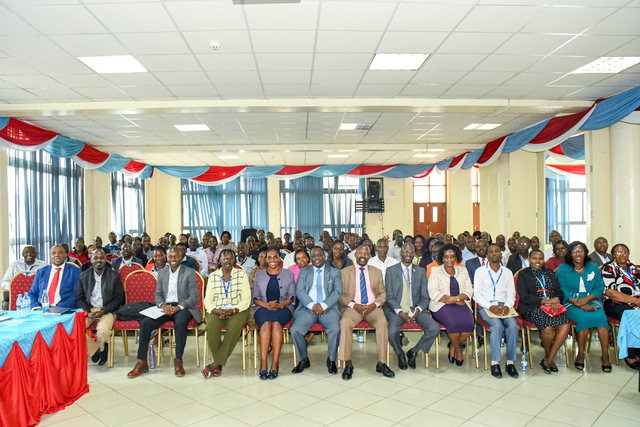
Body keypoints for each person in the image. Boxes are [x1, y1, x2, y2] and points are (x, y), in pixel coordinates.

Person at [127, 247, 201, 378]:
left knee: (180, 323)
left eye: (176, 256)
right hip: (165, 307)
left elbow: (194, 297)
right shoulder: (162, 273)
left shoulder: (189, 272)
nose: (173, 259)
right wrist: (163, 305)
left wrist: (179, 307)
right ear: (167, 257)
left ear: (181, 257)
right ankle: (142, 362)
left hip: (183, 307)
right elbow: (158, 295)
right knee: (145, 323)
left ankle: (178, 361)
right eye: (170, 256)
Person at [338, 245, 394, 380]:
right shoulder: (345, 272)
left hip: (372, 307)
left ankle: (382, 363)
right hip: (353, 307)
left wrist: (374, 305)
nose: (363, 255)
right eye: (360, 253)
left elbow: (382, 294)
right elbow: (340, 295)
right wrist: (354, 305)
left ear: (369, 256)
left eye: (366, 253)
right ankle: (347, 363)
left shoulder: (376, 272)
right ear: (355, 255)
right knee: (345, 323)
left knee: (382, 323)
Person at [557, 241, 611, 372]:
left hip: (592, 301)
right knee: (584, 319)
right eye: (574, 251)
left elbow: (599, 288)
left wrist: (585, 300)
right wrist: (577, 303)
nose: (578, 254)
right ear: (570, 254)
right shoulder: (563, 268)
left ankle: (605, 355)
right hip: (571, 303)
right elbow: (562, 289)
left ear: (585, 253)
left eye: (580, 251)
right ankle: (580, 353)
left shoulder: (593, 267)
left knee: (602, 320)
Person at [384, 243, 439, 370]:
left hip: (416, 310)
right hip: (396, 309)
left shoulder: (421, 271)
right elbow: (389, 297)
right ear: (400, 253)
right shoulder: (391, 271)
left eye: (410, 252)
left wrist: (417, 310)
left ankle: (414, 351)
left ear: (414, 254)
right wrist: (400, 312)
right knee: (391, 331)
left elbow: (425, 297)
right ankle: (400, 353)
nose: (408, 254)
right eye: (405, 251)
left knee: (434, 328)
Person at [291, 247, 343, 374]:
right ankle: (303, 359)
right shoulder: (304, 272)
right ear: (310, 258)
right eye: (314, 256)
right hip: (307, 308)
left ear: (324, 256)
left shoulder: (334, 272)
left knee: (335, 330)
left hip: (328, 308)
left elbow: (337, 292)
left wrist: (323, 306)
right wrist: (313, 306)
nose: (317, 258)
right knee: (295, 330)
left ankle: (331, 360)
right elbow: (300, 292)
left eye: (319, 255)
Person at [516, 250, 570, 373]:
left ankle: (548, 359)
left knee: (565, 325)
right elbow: (524, 296)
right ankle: (549, 358)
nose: (538, 261)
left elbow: (559, 292)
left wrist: (557, 299)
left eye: (540, 259)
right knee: (548, 326)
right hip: (532, 307)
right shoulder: (523, 274)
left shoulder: (550, 273)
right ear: (530, 260)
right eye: (534, 258)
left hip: (552, 306)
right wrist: (544, 301)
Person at [202, 249, 251, 378]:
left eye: (231, 259)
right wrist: (216, 311)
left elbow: (246, 299)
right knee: (211, 326)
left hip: (237, 310)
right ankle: (219, 363)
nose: (228, 261)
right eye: (225, 259)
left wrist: (234, 310)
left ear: (234, 260)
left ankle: (216, 364)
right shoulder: (213, 276)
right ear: (220, 260)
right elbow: (208, 300)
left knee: (234, 327)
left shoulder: (241, 274)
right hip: (217, 309)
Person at [474, 244, 520, 378]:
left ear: (501, 254)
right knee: (496, 325)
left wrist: (507, 306)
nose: (494, 254)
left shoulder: (507, 272)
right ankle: (495, 363)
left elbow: (511, 294)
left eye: (497, 251)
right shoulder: (480, 271)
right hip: (486, 306)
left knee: (513, 325)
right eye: (491, 252)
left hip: (504, 305)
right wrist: (490, 306)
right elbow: (477, 295)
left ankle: (510, 362)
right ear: (487, 256)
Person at [428, 243, 474, 367]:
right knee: (453, 323)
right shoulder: (436, 270)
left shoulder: (462, 270)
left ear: (456, 258)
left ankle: (453, 346)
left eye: (452, 256)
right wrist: (451, 300)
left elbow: (470, 289)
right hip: (441, 305)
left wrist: (458, 298)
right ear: (442, 258)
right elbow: (433, 291)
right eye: (446, 257)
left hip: (460, 303)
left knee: (469, 324)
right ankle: (458, 350)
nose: (449, 259)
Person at [252, 249, 295, 380]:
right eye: (269, 257)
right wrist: (267, 305)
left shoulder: (289, 274)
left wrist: (279, 305)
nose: (272, 260)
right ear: (265, 259)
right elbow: (255, 298)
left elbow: (291, 297)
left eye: (274, 257)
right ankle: (263, 363)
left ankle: (275, 363)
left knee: (276, 324)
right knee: (265, 325)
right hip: (262, 307)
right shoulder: (258, 275)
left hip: (284, 307)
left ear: (279, 259)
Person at [76, 250, 124, 366]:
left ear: (106, 260)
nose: (99, 260)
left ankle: (101, 348)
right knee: (75, 329)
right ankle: (96, 350)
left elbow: (119, 298)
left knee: (103, 331)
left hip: (107, 310)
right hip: (89, 310)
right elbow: (79, 298)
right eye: (96, 258)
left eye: (102, 258)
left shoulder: (114, 276)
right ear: (91, 260)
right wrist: (88, 312)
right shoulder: (83, 276)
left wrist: (103, 311)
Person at [601, 243, 640, 369]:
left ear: (628, 254)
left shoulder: (636, 269)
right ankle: (630, 354)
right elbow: (610, 292)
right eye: (618, 252)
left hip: (636, 301)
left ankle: (638, 351)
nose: (622, 254)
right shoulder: (609, 268)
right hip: (615, 302)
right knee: (631, 315)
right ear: (613, 255)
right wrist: (634, 301)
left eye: (624, 252)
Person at [29, 245, 81, 309]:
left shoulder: (75, 271)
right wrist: (36, 307)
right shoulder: (41, 272)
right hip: (41, 309)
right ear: (50, 257)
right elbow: (32, 293)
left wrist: (58, 307)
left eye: (60, 252)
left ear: (65, 255)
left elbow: (76, 294)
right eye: (53, 253)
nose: (57, 255)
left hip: (64, 309)